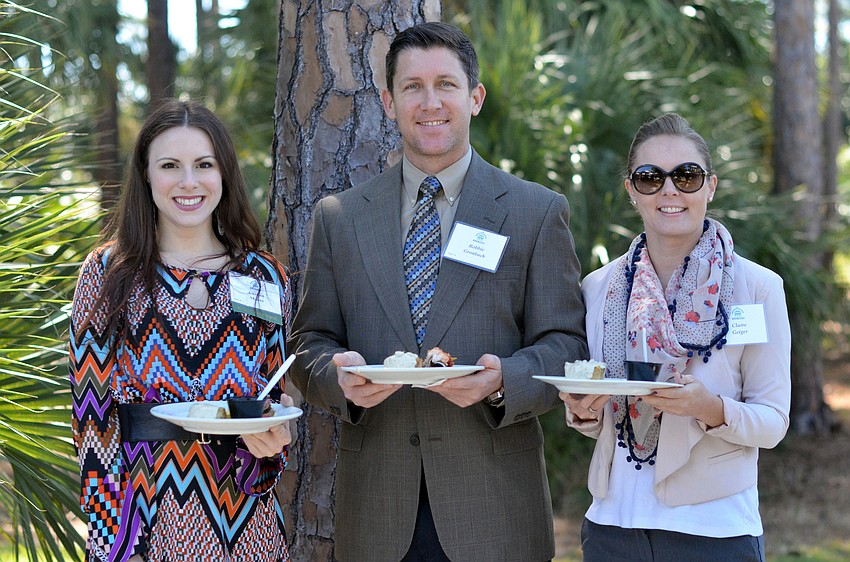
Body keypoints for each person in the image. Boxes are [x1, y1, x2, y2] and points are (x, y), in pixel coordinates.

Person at [288, 21, 587, 562]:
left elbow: (567, 344)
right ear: (387, 101)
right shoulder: (341, 219)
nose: (431, 102)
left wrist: (506, 381)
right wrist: (337, 377)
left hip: (495, 513)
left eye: (446, 85)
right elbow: (309, 341)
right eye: (412, 87)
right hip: (377, 516)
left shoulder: (534, 212)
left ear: (474, 98)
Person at [70, 99, 294, 562]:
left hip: (244, 525)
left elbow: (271, 396)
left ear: (224, 174)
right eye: (170, 165)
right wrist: (114, 540)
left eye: (204, 165)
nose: (188, 182)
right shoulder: (107, 274)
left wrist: (272, 440)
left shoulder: (264, 277)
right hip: (142, 524)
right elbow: (92, 421)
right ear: (147, 175)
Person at [561, 113, 791, 562]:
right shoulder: (599, 288)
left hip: (714, 529)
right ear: (631, 189)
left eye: (686, 176)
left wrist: (712, 409)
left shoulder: (758, 287)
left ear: (710, 186)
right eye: (650, 178)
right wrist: (585, 413)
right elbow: (605, 410)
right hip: (612, 527)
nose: (669, 190)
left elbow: (773, 421)